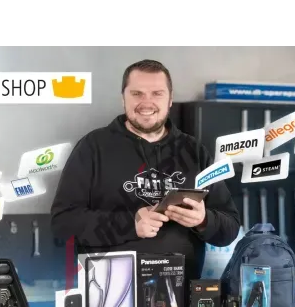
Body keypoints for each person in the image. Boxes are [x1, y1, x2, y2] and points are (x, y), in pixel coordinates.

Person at [50, 59, 241, 290]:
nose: (146, 102)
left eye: (157, 93)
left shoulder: (194, 151)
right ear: (123, 98)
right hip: (108, 296)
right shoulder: (93, 147)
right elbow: (62, 223)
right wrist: (130, 224)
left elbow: (230, 229)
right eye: (137, 93)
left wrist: (203, 220)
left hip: (181, 296)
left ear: (170, 99)